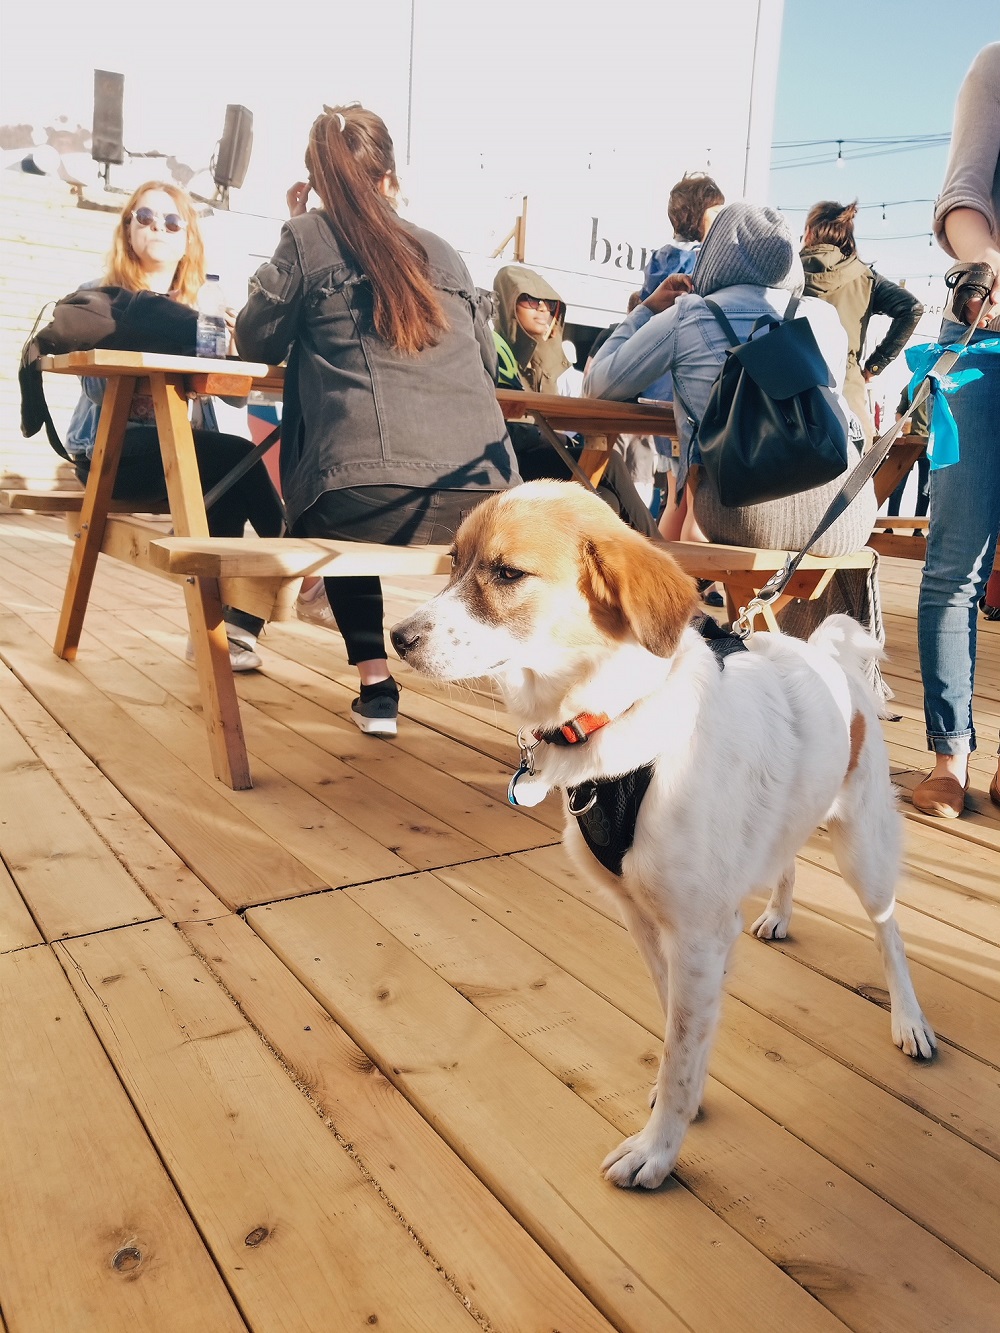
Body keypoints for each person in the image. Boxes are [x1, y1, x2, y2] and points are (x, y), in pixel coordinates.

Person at [235, 104, 519, 737]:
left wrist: (295, 227)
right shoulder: (442, 250)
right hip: (485, 501)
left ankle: (376, 687)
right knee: (345, 484)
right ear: (392, 178)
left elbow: (254, 339)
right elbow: (486, 365)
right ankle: (525, 712)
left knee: (334, 493)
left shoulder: (308, 235)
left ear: (317, 182)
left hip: (366, 499)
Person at [584, 202, 880, 639]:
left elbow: (599, 385)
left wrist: (646, 308)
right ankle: (783, 653)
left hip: (741, 511)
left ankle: (732, 647)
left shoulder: (689, 314)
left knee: (702, 513)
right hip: (846, 514)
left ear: (717, 253)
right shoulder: (822, 316)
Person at [64, 182, 284, 671]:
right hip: (110, 454)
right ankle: (299, 568)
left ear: (188, 237)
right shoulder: (102, 299)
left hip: (177, 454)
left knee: (229, 476)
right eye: (144, 217)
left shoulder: (205, 304)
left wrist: (232, 346)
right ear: (127, 229)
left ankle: (226, 633)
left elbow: (232, 392)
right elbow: (97, 389)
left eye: (171, 221)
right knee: (232, 458)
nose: (157, 228)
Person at [911, 43, 1000, 817]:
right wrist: (987, 260)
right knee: (956, 552)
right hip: (981, 336)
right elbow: (963, 196)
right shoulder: (995, 64)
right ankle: (950, 753)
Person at [491, 264, 660, 539]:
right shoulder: (494, 347)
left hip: (530, 452)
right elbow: (499, 423)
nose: (544, 309)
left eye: (550, 304)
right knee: (611, 463)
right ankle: (667, 569)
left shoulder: (539, 356)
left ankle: (649, 574)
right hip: (503, 461)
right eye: (532, 300)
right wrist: (554, 438)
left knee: (606, 499)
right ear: (508, 303)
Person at [801, 201, 924, 444]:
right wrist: (874, 366)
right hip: (846, 394)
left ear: (809, 232)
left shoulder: (786, 270)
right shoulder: (865, 278)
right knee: (854, 470)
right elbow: (912, 309)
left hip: (790, 391)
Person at [884, 384, 930, 531]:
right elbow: (900, 412)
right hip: (909, 441)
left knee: (923, 488)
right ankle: (891, 525)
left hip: (927, 442)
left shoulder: (935, 384)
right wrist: (901, 422)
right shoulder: (911, 385)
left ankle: (917, 528)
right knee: (898, 485)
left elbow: (899, 412)